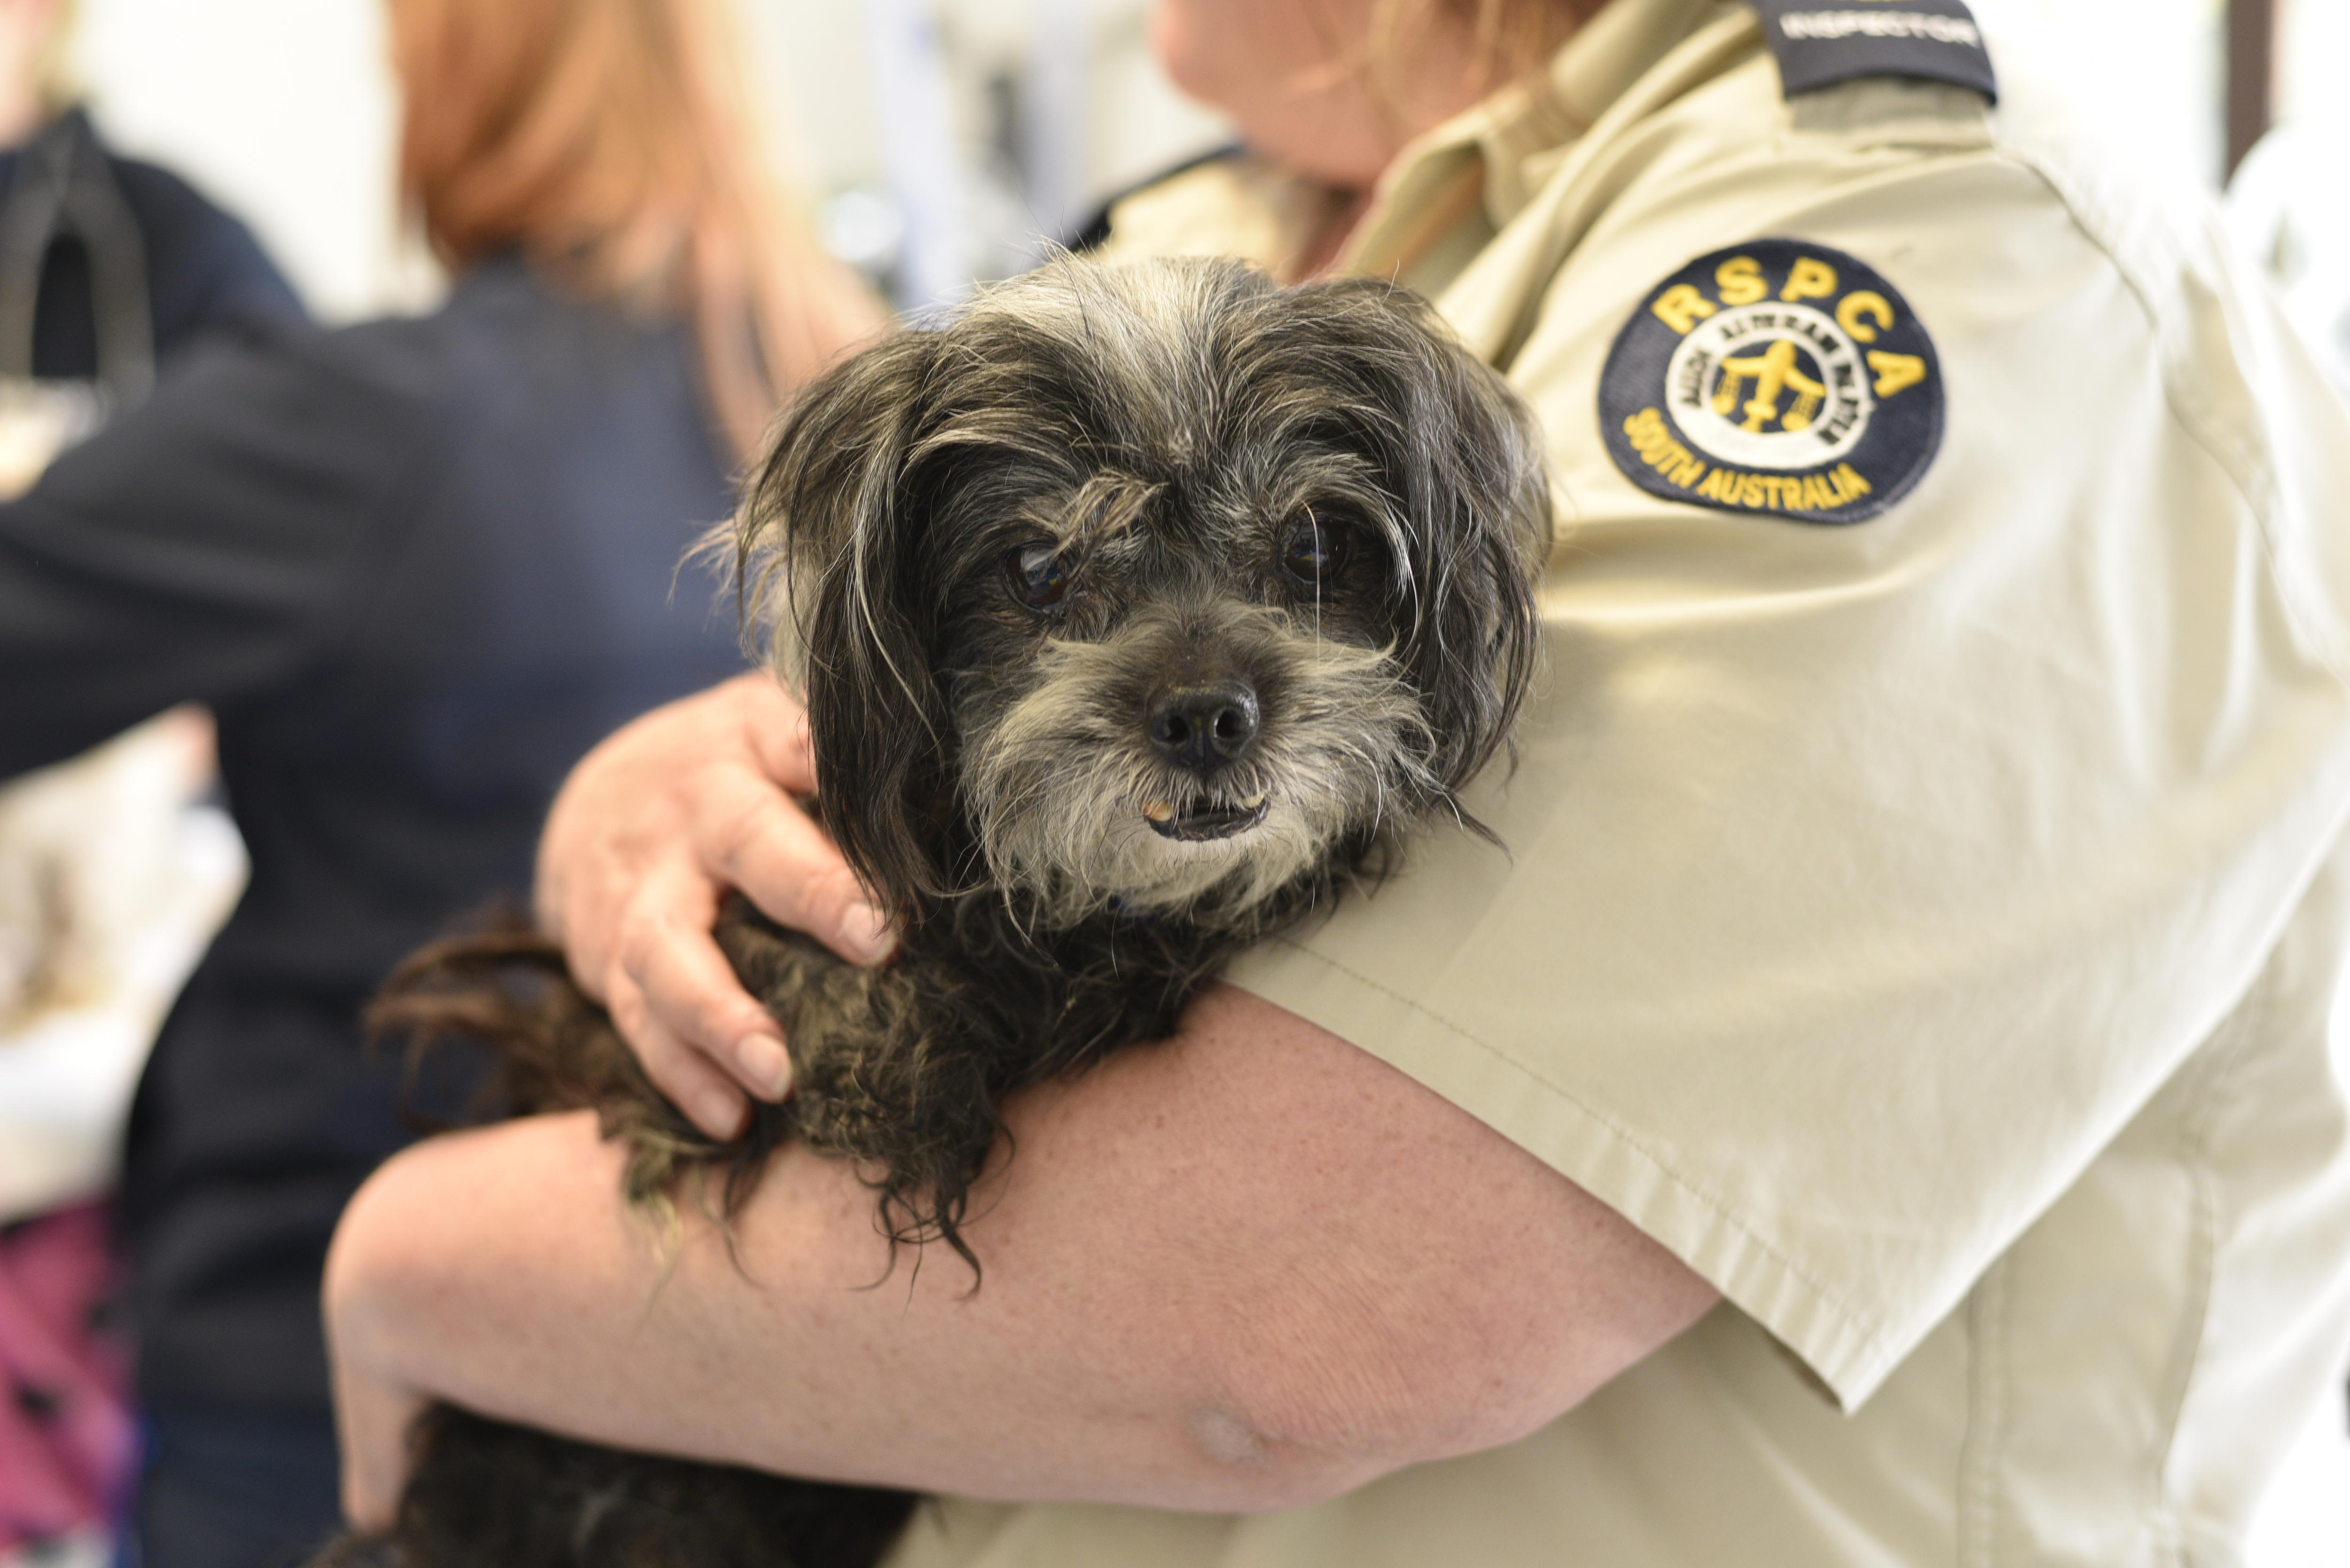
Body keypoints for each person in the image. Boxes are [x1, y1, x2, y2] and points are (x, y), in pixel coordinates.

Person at [321, 0, 2350, 1563]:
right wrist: (667, 790)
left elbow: (1294, 1320)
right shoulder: (1217, 218)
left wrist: (417, 1265)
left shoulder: (1912, 249)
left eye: (1302, 555)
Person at [0, 0, 879, 1563]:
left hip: (339, 1347)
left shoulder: (366, 428)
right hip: (746, 1347)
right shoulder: (854, 408)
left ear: (456, 70)